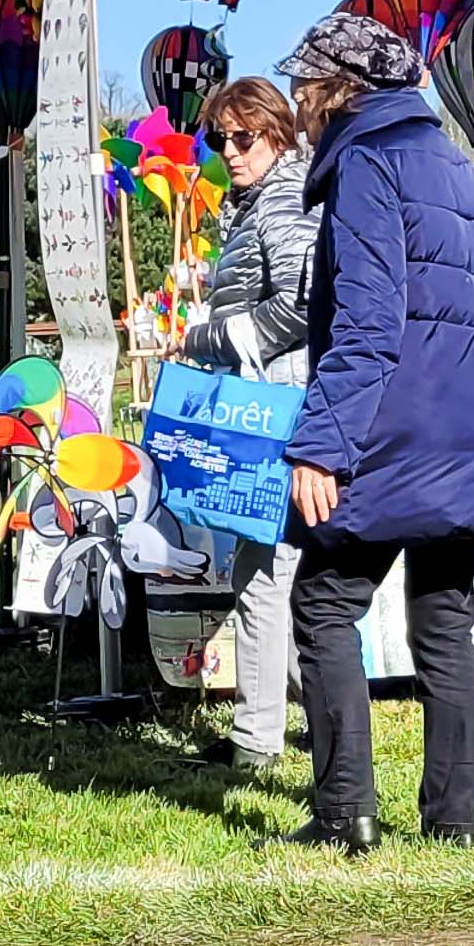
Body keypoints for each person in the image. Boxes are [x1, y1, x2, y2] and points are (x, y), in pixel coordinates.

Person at [274, 13, 474, 854]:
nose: (296, 101)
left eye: (302, 85)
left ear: (334, 90)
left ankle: (344, 814)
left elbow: (368, 322)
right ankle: (451, 827)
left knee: (322, 604)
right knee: (443, 617)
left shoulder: (365, 164)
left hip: (399, 424)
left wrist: (321, 443)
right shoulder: (456, 164)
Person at [181, 77, 319, 772]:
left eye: (244, 137)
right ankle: (309, 721)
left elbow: (301, 303)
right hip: (261, 404)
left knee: (264, 574)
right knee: (260, 571)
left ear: (280, 133)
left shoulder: (286, 199)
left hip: (281, 406)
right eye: (219, 139)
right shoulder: (257, 202)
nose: (229, 152)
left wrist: (212, 339)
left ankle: (257, 740)